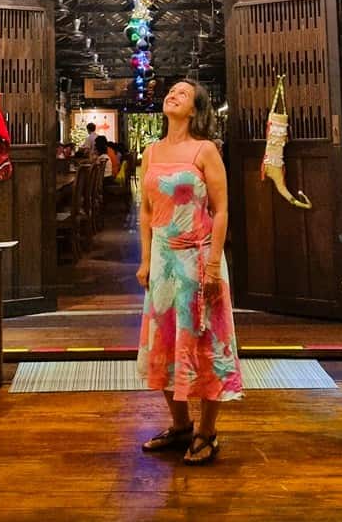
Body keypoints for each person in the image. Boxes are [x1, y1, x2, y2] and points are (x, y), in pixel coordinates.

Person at [136, 79, 243, 465]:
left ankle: (208, 430)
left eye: (183, 93)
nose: (173, 94)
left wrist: (214, 263)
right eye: (171, 91)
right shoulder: (151, 151)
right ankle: (180, 424)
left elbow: (222, 210)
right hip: (164, 262)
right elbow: (146, 211)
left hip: (198, 259)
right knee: (163, 343)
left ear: (195, 109)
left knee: (206, 343)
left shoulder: (205, 150)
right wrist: (146, 260)